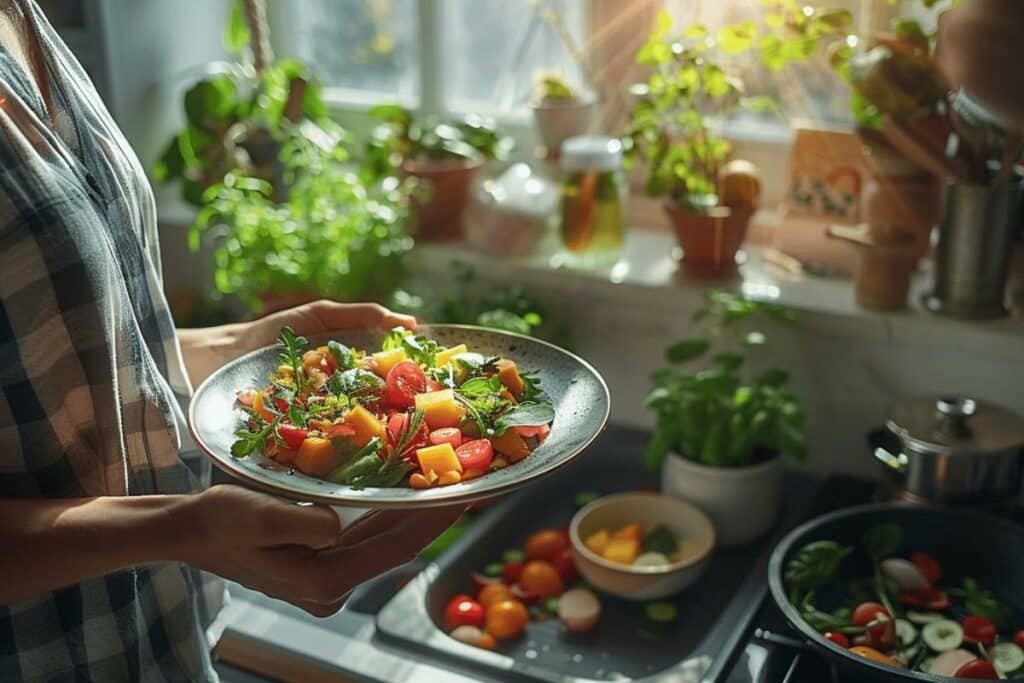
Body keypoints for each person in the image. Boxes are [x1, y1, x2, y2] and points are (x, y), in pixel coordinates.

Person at [0, 1, 462, 680]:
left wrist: (242, 344)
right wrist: (179, 529)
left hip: (160, 642)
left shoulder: (24, 17)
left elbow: (60, 364)